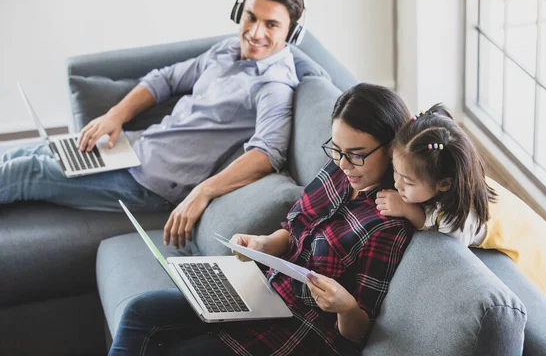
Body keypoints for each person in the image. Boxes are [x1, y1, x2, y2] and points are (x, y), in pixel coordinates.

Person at [0, 0, 305, 249]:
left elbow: (267, 154)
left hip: (151, 184)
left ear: (290, 33)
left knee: (27, 171)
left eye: (271, 24)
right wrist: (115, 116)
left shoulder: (274, 86)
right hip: (131, 147)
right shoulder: (226, 50)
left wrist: (202, 192)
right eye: (250, 17)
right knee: (16, 154)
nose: (255, 32)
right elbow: (166, 78)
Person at [108, 83, 414, 356]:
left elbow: (358, 331)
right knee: (141, 311)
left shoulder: (388, 224)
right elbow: (295, 229)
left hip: (299, 333)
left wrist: (345, 306)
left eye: (356, 154)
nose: (344, 164)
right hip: (261, 295)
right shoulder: (338, 171)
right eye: (337, 149)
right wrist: (262, 244)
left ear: (390, 150)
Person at [375, 103, 546, 303]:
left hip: (539, 261)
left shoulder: (460, 220)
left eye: (408, 181)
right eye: (396, 171)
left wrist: (408, 211)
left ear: (444, 184)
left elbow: (442, 243)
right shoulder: (458, 176)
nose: (397, 184)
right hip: (527, 229)